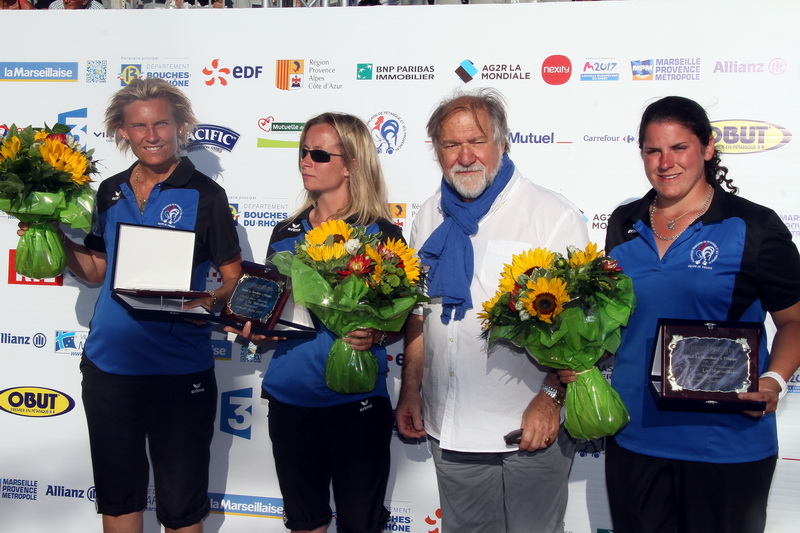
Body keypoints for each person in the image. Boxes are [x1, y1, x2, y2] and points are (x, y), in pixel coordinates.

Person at [562, 95, 800, 533]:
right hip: (635, 439)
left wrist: (775, 381)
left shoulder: (755, 227)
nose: (665, 162)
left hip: (727, 445)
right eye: (653, 150)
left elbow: (794, 321)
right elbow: (610, 322)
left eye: (679, 148)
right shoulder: (623, 223)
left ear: (708, 148)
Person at [18, 77, 242, 533]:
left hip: (179, 371)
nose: (152, 135)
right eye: (139, 126)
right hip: (110, 367)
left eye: (162, 123)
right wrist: (54, 235)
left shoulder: (206, 195)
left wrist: (206, 299)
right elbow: (98, 271)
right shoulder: (109, 190)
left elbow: (234, 281)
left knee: (181, 508)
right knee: (119, 500)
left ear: (181, 127)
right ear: (122, 131)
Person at [394, 88, 589, 533]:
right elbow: (422, 313)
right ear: (437, 152)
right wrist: (411, 390)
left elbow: (585, 329)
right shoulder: (428, 215)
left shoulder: (550, 215)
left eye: (477, 141)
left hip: (528, 428)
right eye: (451, 144)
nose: (465, 156)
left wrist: (551, 398)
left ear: (503, 142)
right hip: (451, 426)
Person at [226, 112, 401, 533]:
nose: (306, 160)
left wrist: (377, 332)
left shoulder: (383, 233)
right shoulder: (285, 232)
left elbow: (400, 318)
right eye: (303, 151)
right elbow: (272, 312)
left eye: (319, 154)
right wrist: (254, 332)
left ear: (352, 164)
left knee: (361, 524)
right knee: (305, 523)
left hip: (355, 399)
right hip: (290, 396)